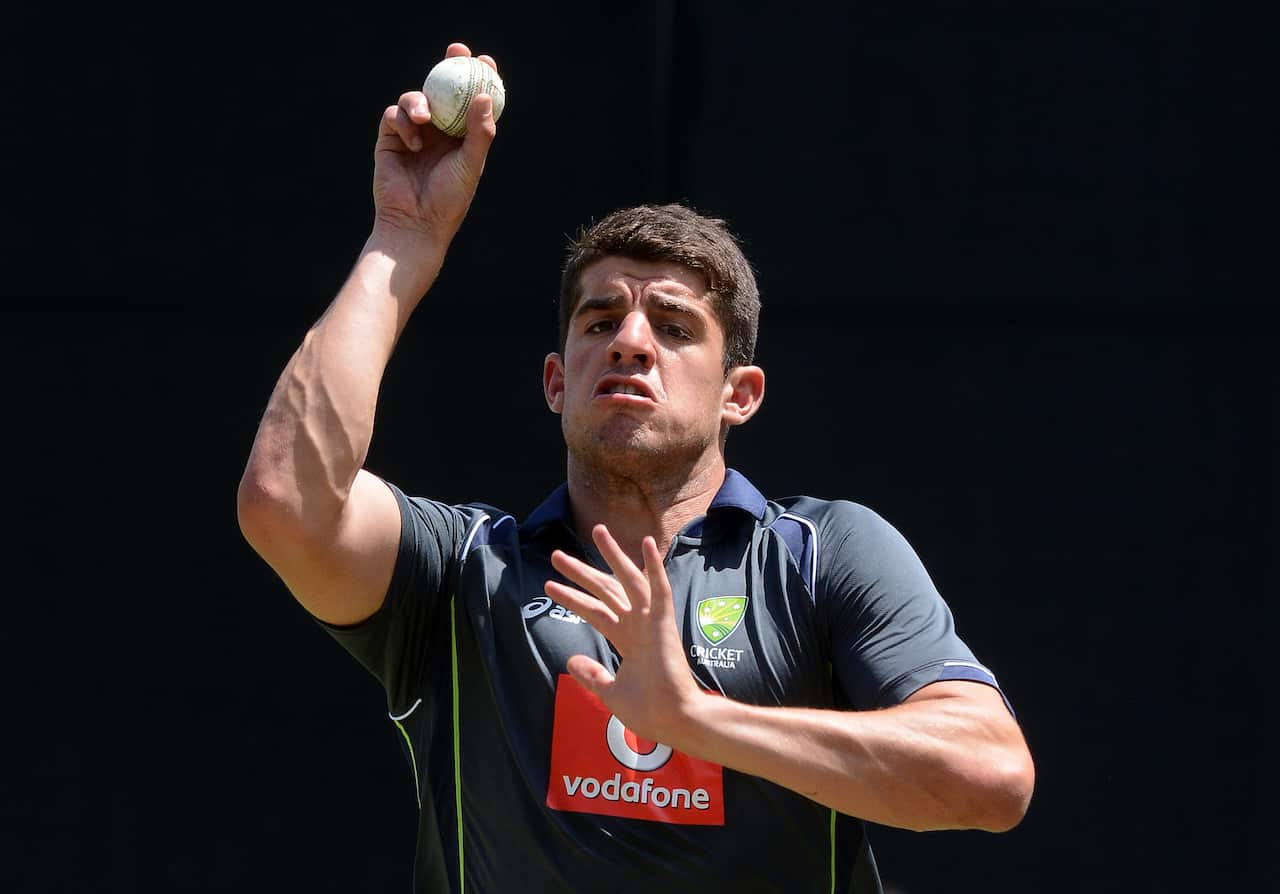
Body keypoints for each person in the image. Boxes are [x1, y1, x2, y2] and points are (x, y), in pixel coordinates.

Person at [236, 42, 1035, 894]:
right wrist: (404, 238)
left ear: (742, 394)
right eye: (599, 321)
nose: (629, 341)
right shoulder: (465, 571)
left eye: (675, 327)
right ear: (556, 382)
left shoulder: (821, 552)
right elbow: (287, 496)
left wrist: (698, 720)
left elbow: (990, 777)